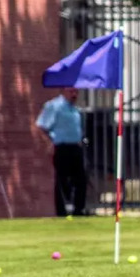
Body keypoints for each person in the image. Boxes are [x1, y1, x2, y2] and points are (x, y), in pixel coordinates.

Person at [35, 86, 88, 216]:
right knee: (62, 179)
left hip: (75, 147)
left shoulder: (75, 109)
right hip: (61, 147)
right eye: (71, 91)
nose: (74, 94)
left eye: (76, 91)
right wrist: (49, 143)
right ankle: (62, 211)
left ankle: (78, 210)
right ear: (63, 91)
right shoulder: (54, 106)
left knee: (81, 179)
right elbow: (41, 126)